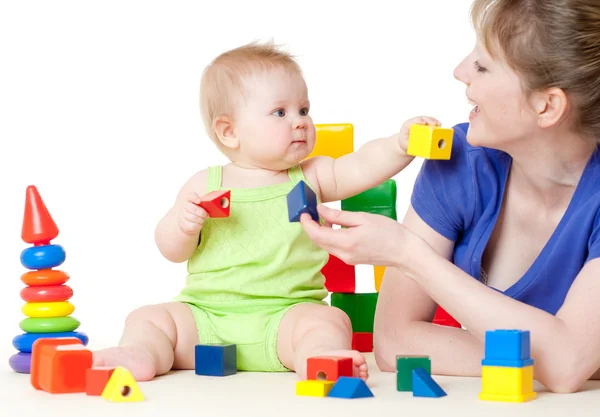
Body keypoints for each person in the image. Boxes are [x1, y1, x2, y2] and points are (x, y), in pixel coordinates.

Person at [300, 0, 600, 394]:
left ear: (547, 105)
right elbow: (393, 343)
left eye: (483, 65)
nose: (459, 71)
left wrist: (408, 253)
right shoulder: (460, 161)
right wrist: (550, 353)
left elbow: (567, 364)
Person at [92, 40, 437, 381]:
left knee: (328, 322)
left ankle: (319, 359)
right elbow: (170, 249)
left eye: (304, 110)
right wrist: (182, 226)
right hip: (206, 319)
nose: (300, 121)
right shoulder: (204, 184)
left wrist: (399, 144)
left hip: (285, 318)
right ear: (229, 132)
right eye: (280, 112)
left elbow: (361, 166)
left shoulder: (312, 175)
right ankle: (141, 352)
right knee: (149, 318)